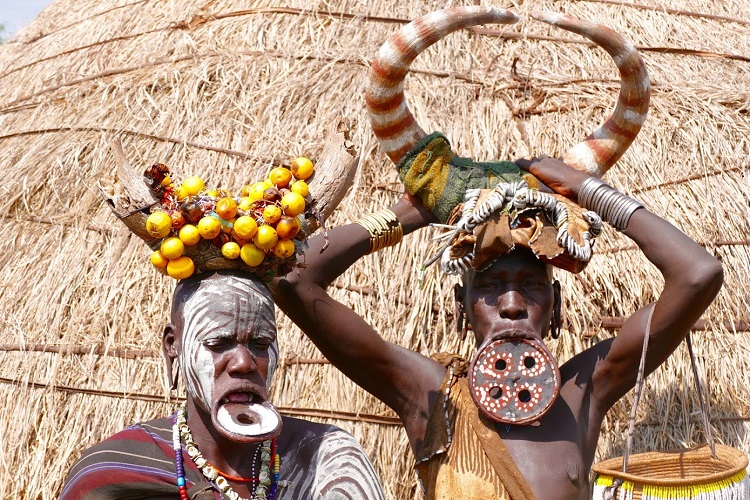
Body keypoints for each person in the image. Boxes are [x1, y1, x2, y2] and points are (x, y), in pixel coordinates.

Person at [273, 156, 723, 499]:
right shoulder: (426, 393)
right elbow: (291, 279)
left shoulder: (585, 390)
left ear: (556, 305)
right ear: (460, 307)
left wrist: (588, 191)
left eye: (531, 285)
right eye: (489, 287)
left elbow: (698, 274)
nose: (511, 305)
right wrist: (420, 208)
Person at [61, 271, 386, 500]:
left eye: (260, 343)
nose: (244, 363)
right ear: (173, 345)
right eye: (218, 343)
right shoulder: (116, 472)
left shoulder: (326, 459)